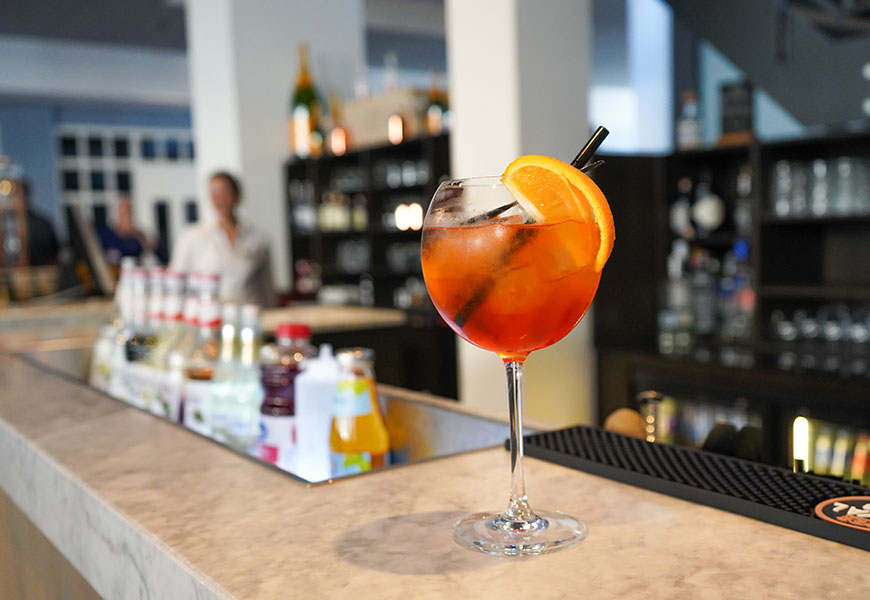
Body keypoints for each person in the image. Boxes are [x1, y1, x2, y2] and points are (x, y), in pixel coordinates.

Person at [170, 171, 275, 307]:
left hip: (249, 313)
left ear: (237, 194)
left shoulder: (258, 238)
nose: (219, 198)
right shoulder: (192, 236)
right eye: (214, 193)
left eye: (224, 192)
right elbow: (176, 282)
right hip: (208, 313)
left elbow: (267, 287)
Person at [3, 178, 60, 266]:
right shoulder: (3, 223)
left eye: (16, 195)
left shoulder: (41, 224)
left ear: (25, 196)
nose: (11, 200)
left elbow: (53, 254)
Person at [98, 196, 156, 264]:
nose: (125, 214)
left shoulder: (138, 233)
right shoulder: (106, 234)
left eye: (128, 210)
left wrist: (136, 233)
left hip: (134, 268)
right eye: (122, 210)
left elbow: (151, 249)